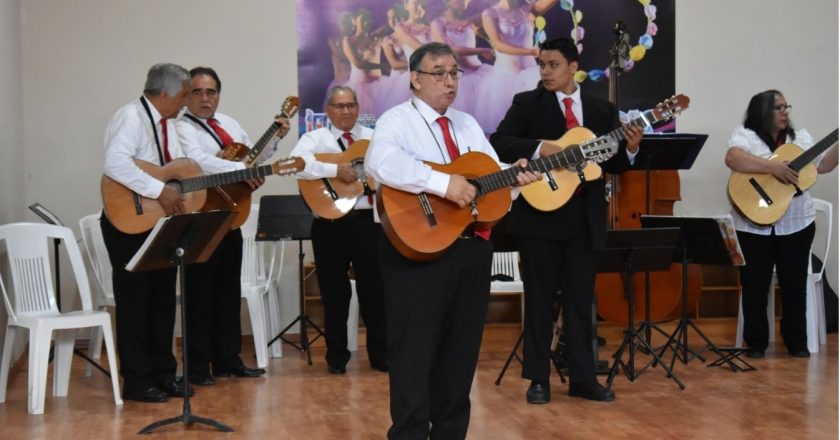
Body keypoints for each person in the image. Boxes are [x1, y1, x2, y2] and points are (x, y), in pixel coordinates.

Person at [365, 42, 540, 439]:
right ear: (415, 78)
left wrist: (516, 178)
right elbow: (381, 163)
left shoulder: (467, 124)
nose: (449, 81)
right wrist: (443, 183)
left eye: (454, 73)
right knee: (414, 354)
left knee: (460, 356)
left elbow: (489, 183)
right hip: (416, 252)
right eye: (439, 73)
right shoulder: (397, 121)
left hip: (470, 249)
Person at [490, 37, 642, 404]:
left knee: (580, 302)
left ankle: (583, 379)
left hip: (583, 220)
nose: (545, 71)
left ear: (573, 66)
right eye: (541, 64)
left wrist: (632, 148)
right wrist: (546, 148)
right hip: (539, 217)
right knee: (540, 302)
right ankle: (538, 379)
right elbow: (500, 142)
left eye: (553, 64)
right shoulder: (527, 104)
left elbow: (613, 163)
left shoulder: (602, 110)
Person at [100, 63, 237, 402]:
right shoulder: (130, 117)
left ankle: (164, 374)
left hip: (161, 222)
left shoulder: (169, 126)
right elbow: (114, 163)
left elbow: (179, 167)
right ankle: (136, 381)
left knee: (162, 301)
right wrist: (158, 190)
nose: (186, 101)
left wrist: (232, 171)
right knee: (135, 303)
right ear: (163, 94)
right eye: (183, 94)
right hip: (129, 221)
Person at [175, 67, 290, 385]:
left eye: (210, 92)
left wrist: (274, 141)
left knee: (227, 291)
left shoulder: (229, 124)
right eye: (197, 91)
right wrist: (239, 168)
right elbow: (196, 161)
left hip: (230, 214)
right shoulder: (180, 127)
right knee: (199, 294)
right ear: (186, 95)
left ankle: (228, 360)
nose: (204, 98)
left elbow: (252, 157)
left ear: (218, 95)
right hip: (200, 216)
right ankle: (197, 367)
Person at [724, 89, 838, 359]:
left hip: (796, 222)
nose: (786, 111)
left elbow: (823, 166)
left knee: (794, 282)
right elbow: (732, 159)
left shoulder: (800, 140)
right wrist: (772, 168)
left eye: (787, 106)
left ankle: (796, 342)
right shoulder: (746, 136)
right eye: (779, 107)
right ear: (763, 111)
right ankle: (756, 343)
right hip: (752, 224)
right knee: (754, 283)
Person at [290, 85, 388, 374]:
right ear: (329, 110)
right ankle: (336, 358)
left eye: (350, 106)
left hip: (369, 223)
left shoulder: (375, 138)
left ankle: (381, 356)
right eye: (339, 106)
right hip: (329, 223)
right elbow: (296, 165)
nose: (345, 111)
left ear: (358, 108)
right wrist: (334, 170)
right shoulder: (314, 139)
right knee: (334, 293)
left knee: (376, 292)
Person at [474, 0, 557, 131]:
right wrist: (531, 51)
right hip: (504, 79)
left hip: (532, 77)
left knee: (540, 127)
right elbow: (498, 45)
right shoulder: (491, 13)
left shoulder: (528, 9)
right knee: (508, 130)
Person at [430, 0, 494, 115]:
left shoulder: (470, 22)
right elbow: (449, 49)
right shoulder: (438, 23)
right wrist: (481, 50)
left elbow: (496, 13)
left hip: (479, 72)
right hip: (458, 77)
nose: (463, 2)